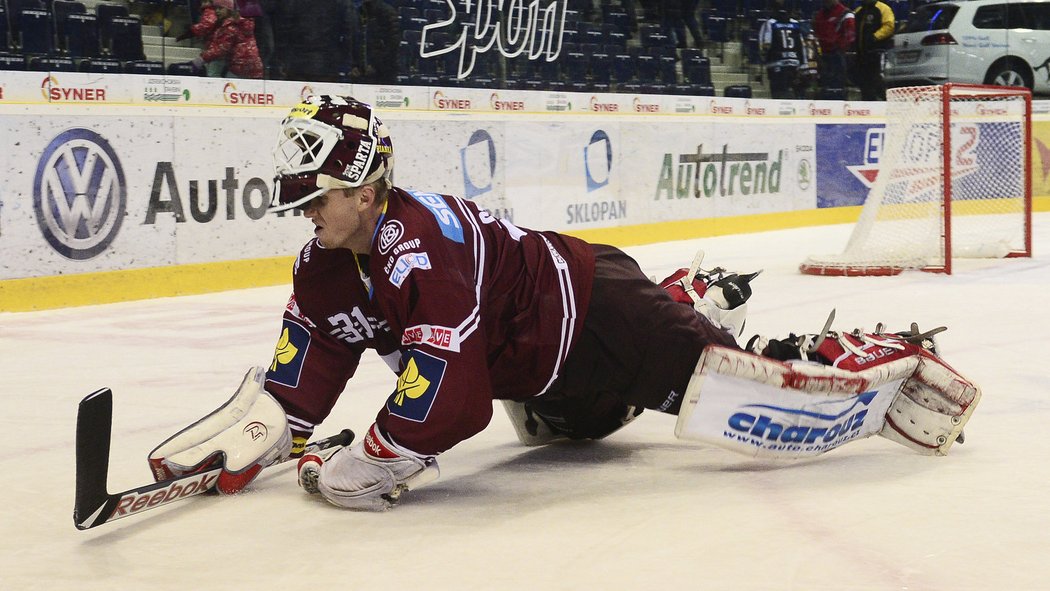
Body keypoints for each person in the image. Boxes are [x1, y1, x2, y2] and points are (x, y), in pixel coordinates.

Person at [147, 96, 980, 511]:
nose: (307, 212)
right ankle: (687, 301)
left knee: (737, 399)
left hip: (598, 311)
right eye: (302, 202)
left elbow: (452, 398)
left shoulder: (422, 244)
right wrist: (267, 428)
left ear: (369, 190)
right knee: (572, 436)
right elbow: (312, 363)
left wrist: (364, 460)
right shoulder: (327, 262)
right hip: (545, 388)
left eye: (318, 196)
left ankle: (876, 361)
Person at [190, 0, 263, 79]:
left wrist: (201, 59)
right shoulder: (243, 22)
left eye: (221, 8)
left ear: (229, 9)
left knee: (219, 81)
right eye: (216, 8)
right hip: (254, 66)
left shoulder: (231, 26)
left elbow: (220, 49)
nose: (217, 11)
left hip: (239, 66)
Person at [758, 2, 807, 99]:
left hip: (776, 65)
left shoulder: (770, 24)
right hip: (794, 64)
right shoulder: (795, 24)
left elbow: (765, 46)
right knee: (795, 96)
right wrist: (803, 65)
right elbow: (802, 46)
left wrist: (765, 60)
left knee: (779, 95)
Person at [812, 0, 855, 98]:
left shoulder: (846, 14)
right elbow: (816, 35)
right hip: (823, 58)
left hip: (838, 57)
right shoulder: (820, 15)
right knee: (824, 89)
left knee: (837, 90)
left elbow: (851, 37)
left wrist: (841, 48)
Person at [350, 0, 400, 84]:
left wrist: (375, 66)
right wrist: (354, 66)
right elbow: (354, 41)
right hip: (359, 73)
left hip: (383, 74)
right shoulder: (358, 12)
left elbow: (392, 45)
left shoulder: (387, 12)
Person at [853, 0, 895, 100]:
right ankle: (868, 105)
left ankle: (885, 102)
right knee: (864, 83)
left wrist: (875, 37)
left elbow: (889, 26)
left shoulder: (883, 8)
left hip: (877, 52)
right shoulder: (858, 11)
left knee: (877, 81)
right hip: (862, 54)